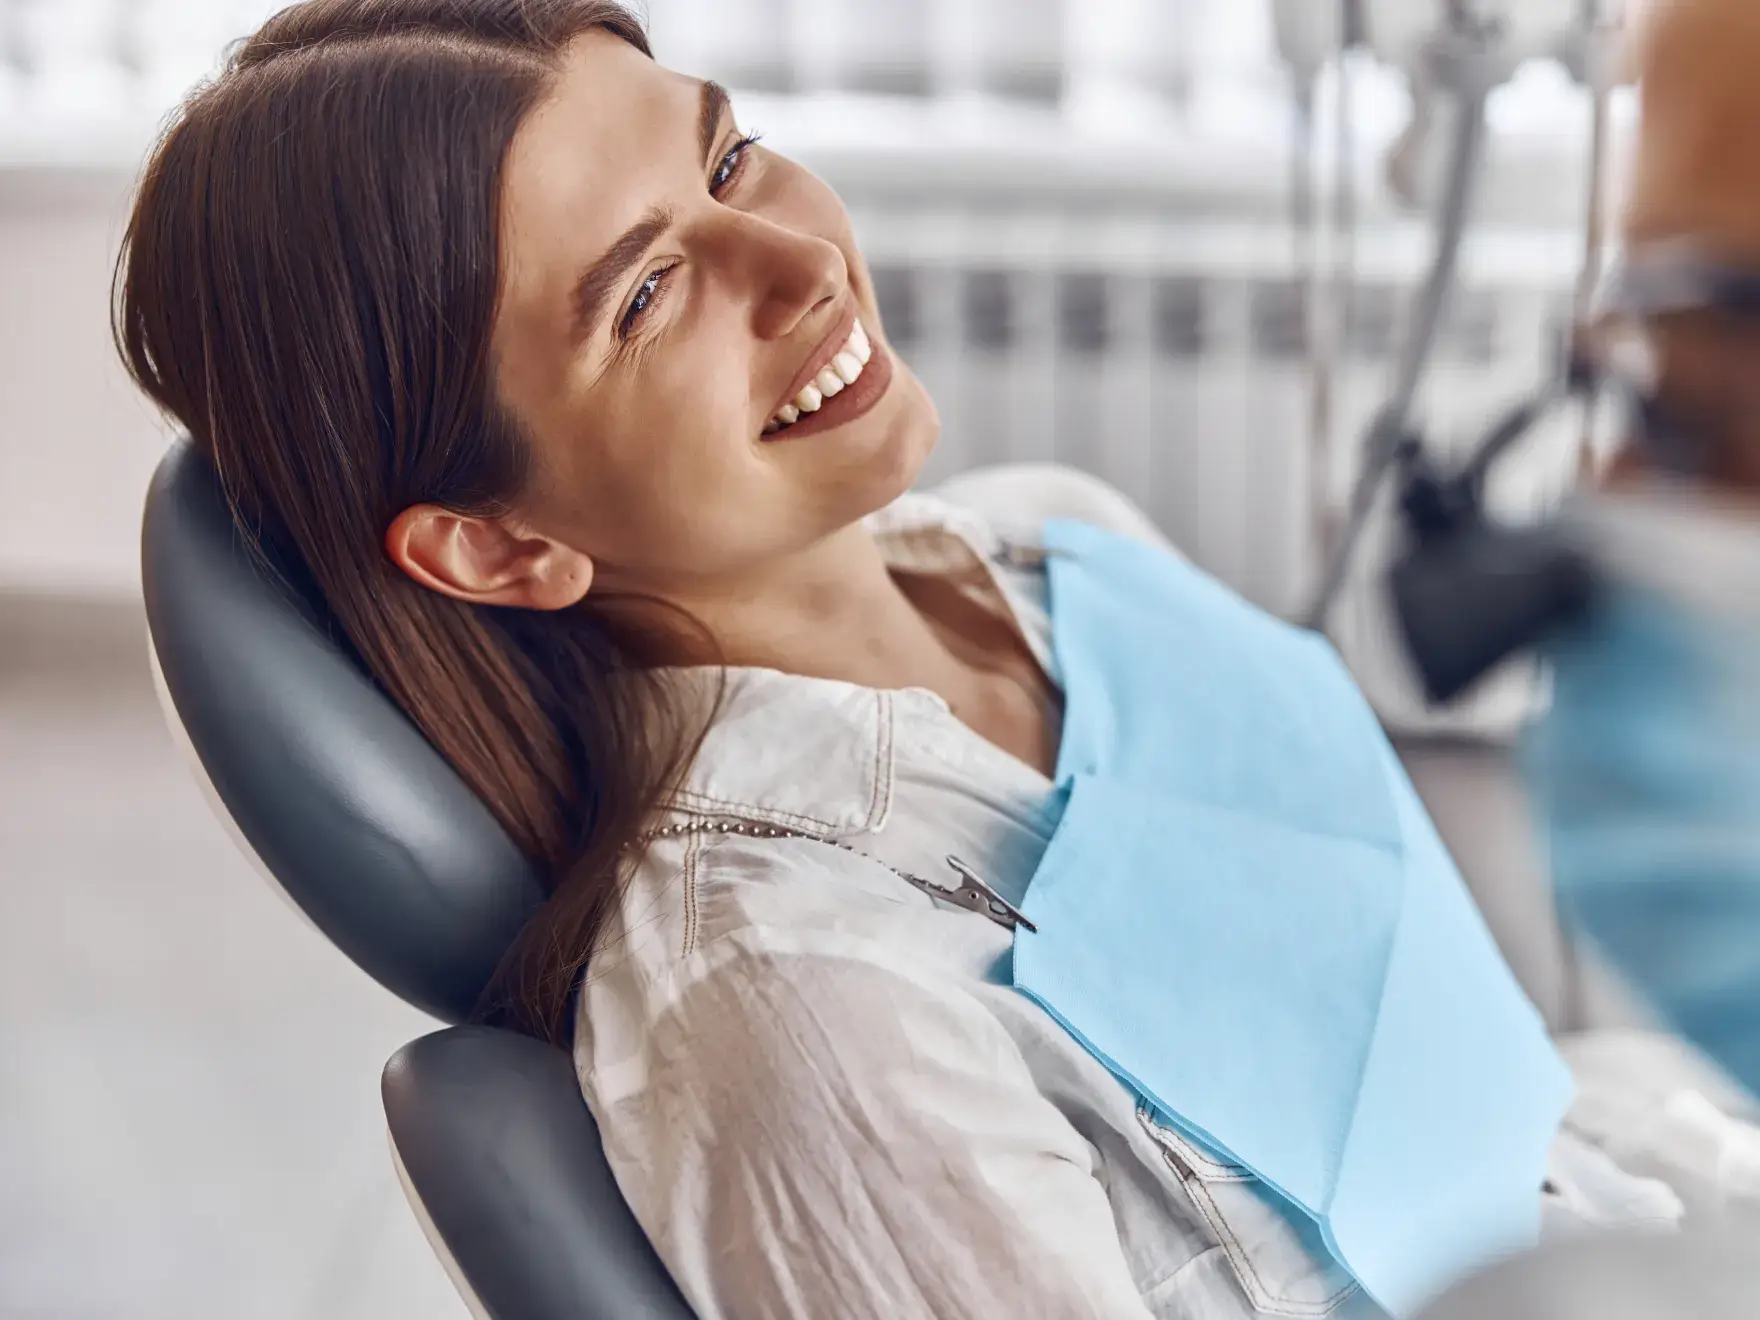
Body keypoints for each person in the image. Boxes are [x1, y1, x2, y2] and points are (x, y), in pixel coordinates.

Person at [115, 3, 1725, 1317]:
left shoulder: (1054, 540)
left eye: (731, 155)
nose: (802, 265)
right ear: (497, 546)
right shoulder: (795, 1003)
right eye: (650, 294)